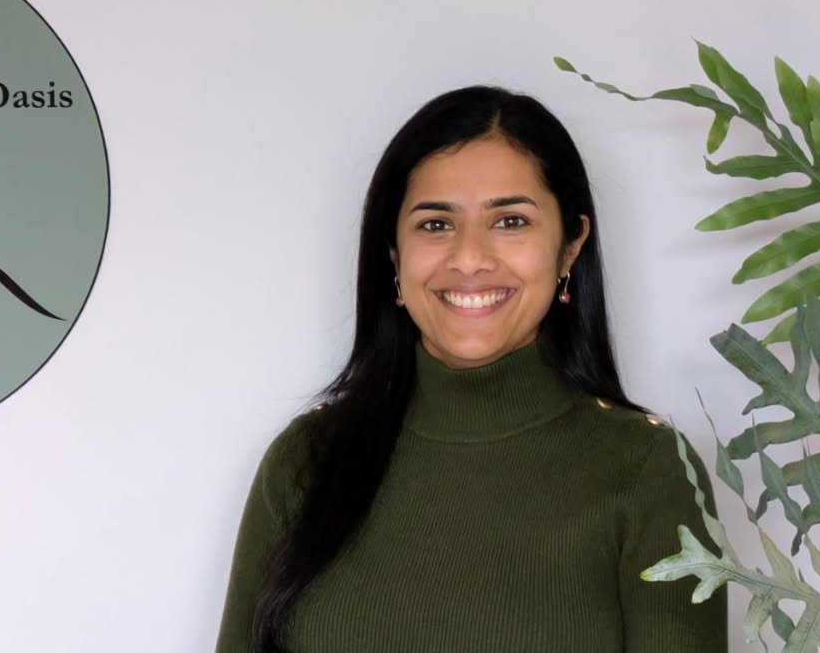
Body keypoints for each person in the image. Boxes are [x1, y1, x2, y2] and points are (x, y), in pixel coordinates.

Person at [215, 85, 727, 652]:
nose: (469, 259)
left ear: (570, 246)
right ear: (393, 253)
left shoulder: (648, 470)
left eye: (510, 221)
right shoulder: (305, 463)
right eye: (436, 224)